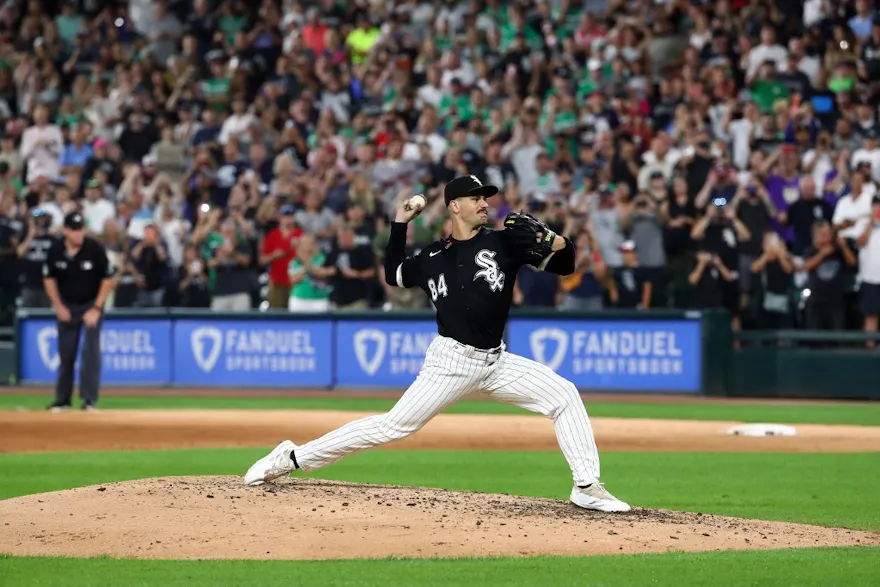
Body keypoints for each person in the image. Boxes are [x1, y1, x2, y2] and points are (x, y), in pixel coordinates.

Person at [244, 175, 631, 513]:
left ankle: (587, 487)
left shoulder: (505, 243)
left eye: (486, 196)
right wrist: (400, 224)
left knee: (564, 395)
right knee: (391, 426)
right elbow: (394, 275)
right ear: (455, 206)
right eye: (477, 197)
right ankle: (291, 457)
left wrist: (554, 239)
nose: (485, 203)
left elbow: (566, 266)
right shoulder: (433, 255)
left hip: (496, 362)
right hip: (451, 362)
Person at [43, 212, 115, 411]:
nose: (77, 234)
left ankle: (89, 400)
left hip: (90, 304)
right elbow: (49, 279)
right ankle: (62, 400)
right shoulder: (56, 250)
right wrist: (58, 306)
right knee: (66, 353)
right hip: (67, 305)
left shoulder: (94, 249)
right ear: (65, 230)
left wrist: (96, 308)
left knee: (90, 352)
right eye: (73, 230)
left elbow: (108, 280)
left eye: (80, 229)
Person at [16, 208, 56, 308]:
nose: (40, 222)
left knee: (45, 317)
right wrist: (31, 234)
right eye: (37, 219)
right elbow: (20, 253)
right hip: (29, 284)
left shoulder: (53, 239)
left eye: (42, 219)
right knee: (28, 314)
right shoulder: (25, 237)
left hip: (47, 285)